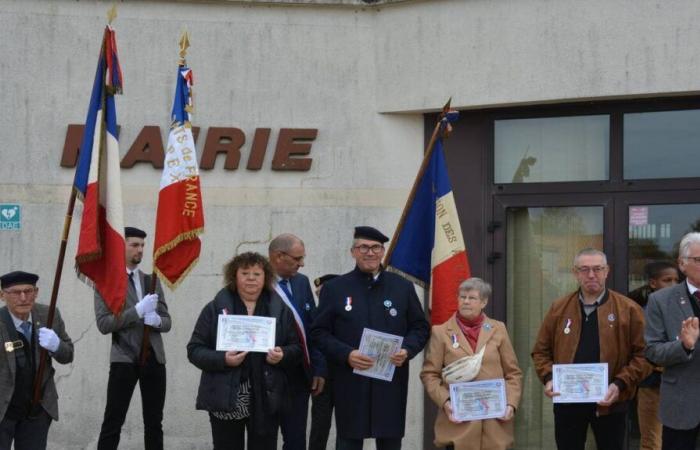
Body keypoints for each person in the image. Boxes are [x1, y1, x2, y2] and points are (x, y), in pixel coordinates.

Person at [310, 226, 430, 450]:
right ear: (352, 252)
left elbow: (420, 327)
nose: (370, 252)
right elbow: (318, 333)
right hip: (351, 383)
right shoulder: (335, 288)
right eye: (363, 247)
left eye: (376, 247)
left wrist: (407, 349)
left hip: (390, 384)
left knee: (390, 442)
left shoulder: (401, 287)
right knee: (348, 443)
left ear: (383, 251)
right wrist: (347, 354)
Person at [531, 248, 649, 450]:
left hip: (611, 402)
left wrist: (619, 384)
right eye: (584, 269)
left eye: (597, 269)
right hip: (567, 402)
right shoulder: (559, 308)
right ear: (575, 273)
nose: (591, 275)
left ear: (607, 271)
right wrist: (549, 378)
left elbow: (644, 356)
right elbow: (540, 351)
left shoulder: (628, 310)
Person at [187, 251, 302, 450]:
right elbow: (194, 349)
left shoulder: (280, 309)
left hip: (266, 397)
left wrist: (282, 355)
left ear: (265, 277)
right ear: (234, 276)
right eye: (245, 273)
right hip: (226, 396)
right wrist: (223, 359)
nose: (251, 278)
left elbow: (296, 348)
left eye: (257, 274)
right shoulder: (214, 309)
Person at [421, 277, 522, 450]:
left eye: (472, 298)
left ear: (483, 302)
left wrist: (511, 404)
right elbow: (429, 374)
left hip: (494, 425)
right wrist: (446, 402)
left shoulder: (499, 329)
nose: (466, 301)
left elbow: (513, 373)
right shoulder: (441, 332)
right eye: (462, 297)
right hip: (458, 426)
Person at [94, 226, 171, 450]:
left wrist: (156, 320)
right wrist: (136, 311)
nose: (140, 250)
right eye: (134, 245)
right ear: (121, 247)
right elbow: (104, 324)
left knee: (154, 423)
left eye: (142, 245)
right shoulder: (107, 282)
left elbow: (167, 322)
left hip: (154, 358)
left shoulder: (151, 281)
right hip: (124, 358)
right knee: (113, 422)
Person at [0, 270, 74, 450]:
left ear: (36, 292)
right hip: (3, 409)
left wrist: (57, 346)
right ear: (2, 295)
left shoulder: (49, 315)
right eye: (16, 293)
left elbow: (68, 355)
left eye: (29, 291)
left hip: (37, 409)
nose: (24, 297)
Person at [268, 233, 327, 450]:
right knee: (264, 439)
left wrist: (319, 368)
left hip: (299, 377)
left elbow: (313, 328)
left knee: (295, 441)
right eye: (297, 258)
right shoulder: (257, 282)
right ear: (277, 257)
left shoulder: (301, 283)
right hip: (268, 377)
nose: (302, 264)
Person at [645, 232, 700, 450]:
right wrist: (684, 346)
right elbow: (652, 351)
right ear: (682, 264)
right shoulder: (661, 300)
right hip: (681, 405)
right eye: (699, 260)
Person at [628, 261, 679, 450]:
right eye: (667, 280)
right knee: (652, 440)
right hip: (652, 383)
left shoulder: (681, 307)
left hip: (680, 382)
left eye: (676, 280)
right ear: (653, 283)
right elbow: (642, 349)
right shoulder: (641, 311)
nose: (674, 284)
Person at [308, 273, 338, 450]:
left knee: (347, 429)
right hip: (321, 379)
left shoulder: (348, 314)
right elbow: (314, 345)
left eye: (324, 292)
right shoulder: (314, 313)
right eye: (318, 293)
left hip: (344, 378)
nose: (320, 296)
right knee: (319, 427)